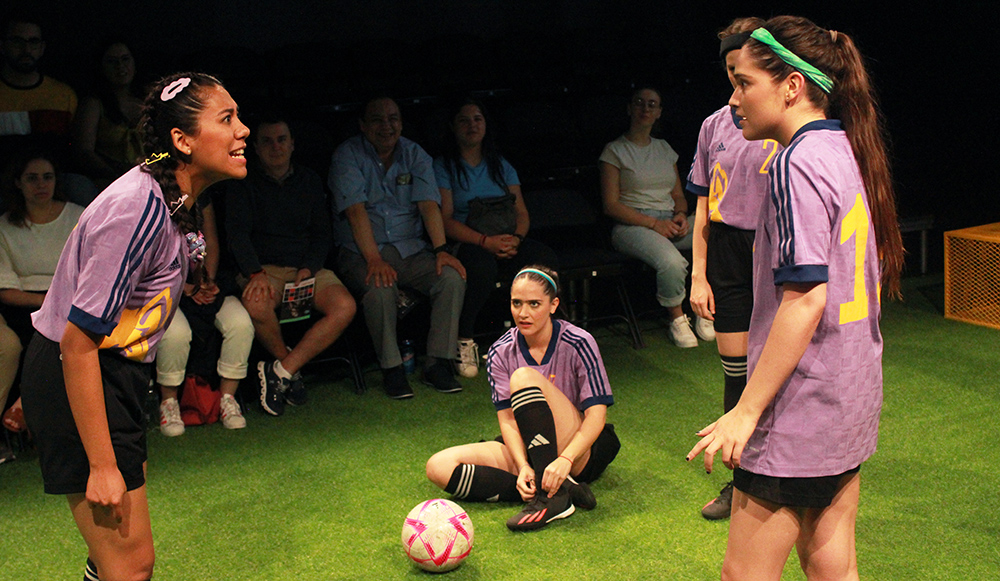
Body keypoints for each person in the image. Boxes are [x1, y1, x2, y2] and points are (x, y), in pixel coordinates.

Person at [686, 16, 904, 581]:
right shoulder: (845, 146)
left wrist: (746, 411)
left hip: (800, 407)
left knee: (745, 573)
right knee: (831, 561)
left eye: (745, 83)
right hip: (850, 394)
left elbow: (805, 300)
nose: (734, 99)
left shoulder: (793, 163)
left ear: (791, 86)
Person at [19, 72, 249, 581]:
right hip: (80, 373)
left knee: (119, 561)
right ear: (182, 140)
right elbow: (77, 344)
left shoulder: (169, 199)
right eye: (227, 119)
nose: (244, 131)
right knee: (131, 566)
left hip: (109, 376)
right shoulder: (136, 209)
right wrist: (101, 464)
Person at [425, 265, 620, 531]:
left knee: (523, 377)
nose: (523, 313)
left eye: (534, 304)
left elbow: (597, 416)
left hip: (580, 449)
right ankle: (555, 488)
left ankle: (553, 497)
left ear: (553, 305)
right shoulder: (499, 352)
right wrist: (520, 465)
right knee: (438, 466)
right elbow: (506, 421)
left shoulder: (579, 341)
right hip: (532, 446)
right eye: (516, 303)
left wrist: (565, 460)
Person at [685, 16, 773, 521]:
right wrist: (699, 274)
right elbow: (701, 206)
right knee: (736, 372)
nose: (733, 73)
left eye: (741, 65)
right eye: (728, 67)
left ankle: (777, 473)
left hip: (771, 247)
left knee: (774, 366)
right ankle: (740, 484)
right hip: (726, 249)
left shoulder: (778, 123)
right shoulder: (715, 125)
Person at [330, 95, 466, 399]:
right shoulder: (348, 155)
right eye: (377, 119)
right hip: (362, 250)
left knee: (451, 278)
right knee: (379, 288)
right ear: (363, 125)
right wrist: (374, 259)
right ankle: (392, 369)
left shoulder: (415, 153)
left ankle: (437, 363)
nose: (387, 126)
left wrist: (441, 249)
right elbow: (355, 212)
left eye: (393, 118)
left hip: (411, 249)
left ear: (401, 123)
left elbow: (429, 205)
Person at [227, 114, 356, 417]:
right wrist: (254, 272)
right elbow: (237, 235)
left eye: (282, 139)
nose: (276, 147)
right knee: (257, 304)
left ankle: (282, 370)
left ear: (293, 144)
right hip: (263, 269)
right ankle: (289, 370)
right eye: (268, 141)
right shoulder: (241, 183)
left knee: (345, 306)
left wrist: (309, 268)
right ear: (255, 147)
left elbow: (322, 233)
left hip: (304, 269)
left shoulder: (309, 179)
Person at [434, 97, 558, 378]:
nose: (472, 125)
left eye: (477, 119)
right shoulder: (443, 167)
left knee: (543, 260)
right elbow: (445, 220)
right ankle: (464, 339)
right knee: (480, 267)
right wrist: (484, 242)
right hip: (469, 240)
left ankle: (537, 338)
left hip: (506, 237)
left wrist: (516, 238)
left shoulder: (500, 165)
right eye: (464, 120)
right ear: (453, 127)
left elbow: (522, 212)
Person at [599, 86, 707, 348]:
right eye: (639, 103)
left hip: (668, 221)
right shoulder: (614, 151)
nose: (645, 108)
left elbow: (679, 196)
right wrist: (654, 224)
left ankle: (703, 309)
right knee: (672, 262)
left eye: (652, 104)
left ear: (659, 113)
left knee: (715, 232)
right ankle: (677, 319)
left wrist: (681, 215)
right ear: (629, 108)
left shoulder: (664, 148)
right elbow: (611, 205)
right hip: (632, 225)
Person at [0, 150, 85, 434]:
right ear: (18, 183)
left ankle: (28, 404)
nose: (41, 185)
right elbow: (6, 291)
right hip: (22, 306)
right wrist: (48, 303)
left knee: (71, 333)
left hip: (73, 301)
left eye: (47, 177)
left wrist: (62, 303)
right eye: (32, 178)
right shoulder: (4, 226)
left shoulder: (78, 216)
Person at [155, 196, 253, 436]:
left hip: (200, 283)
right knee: (176, 333)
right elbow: (154, 258)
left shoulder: (203, 198)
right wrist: (185, 289)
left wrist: (205, 281)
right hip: (163, 288)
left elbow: (210, 243)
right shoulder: (153, 199)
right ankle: (168, 403)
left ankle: (227, 399)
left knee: (240, 323)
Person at [72, 39, 144, 190]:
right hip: (109, 182)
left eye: (125, 59)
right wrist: (119, 175)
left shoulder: (150, 99)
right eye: (112, 61)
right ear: (101, 67)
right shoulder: (94, 104)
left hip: (150, 177)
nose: (120, 66)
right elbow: (85, 152)